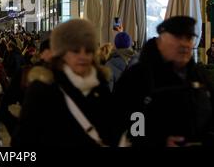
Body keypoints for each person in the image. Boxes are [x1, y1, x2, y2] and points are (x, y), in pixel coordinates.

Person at [113, 16, 214, 147]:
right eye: (178, 37)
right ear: (162, 40)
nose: (184, 44)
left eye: (188, 38)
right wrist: (158, 142)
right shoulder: (137, 77)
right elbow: (126, 122)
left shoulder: (199, 76)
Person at [12, 19, 114, 147]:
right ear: (62, 53)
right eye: (76, 51)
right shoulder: (43, 90)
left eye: (88, 51)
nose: (82, 56)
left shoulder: (99, 87)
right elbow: (23, 140)